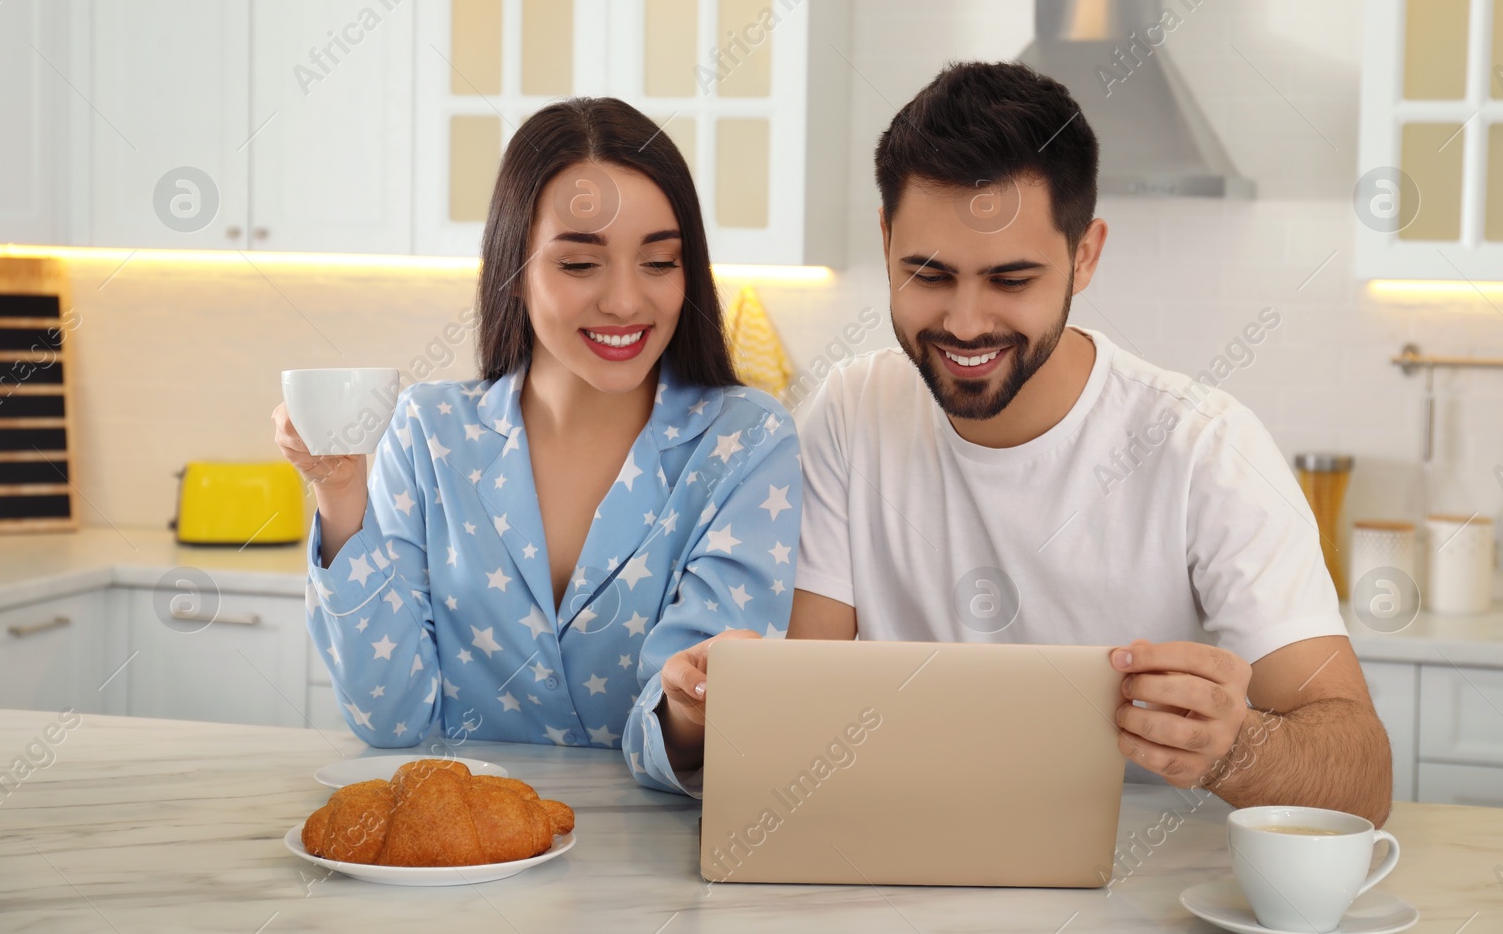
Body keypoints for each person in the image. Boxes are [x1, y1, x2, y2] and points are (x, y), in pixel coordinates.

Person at [786, 61, 1392, 826]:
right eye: (929, 274)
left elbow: (1365, 778)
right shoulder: (848, 414)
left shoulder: (1206, 448)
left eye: (1011, 280)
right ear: (884, 240)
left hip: (1144, 892)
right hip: (901, 862)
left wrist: (1238, 748)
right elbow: (797, 709)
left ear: (1086, 253)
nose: (966, 322)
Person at [272, 98, 800, 796]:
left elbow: (688, 720)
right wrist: (340, 494)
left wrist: (690, 707)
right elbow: (392, 718)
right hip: (458, 857)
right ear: (513, 264)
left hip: (653, 866)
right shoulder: (428, 431)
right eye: (580, 263)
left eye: (660, 261)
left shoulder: (746, 442)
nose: (624, 300)